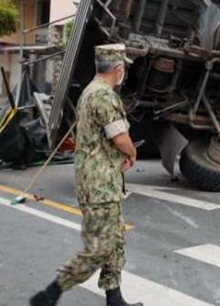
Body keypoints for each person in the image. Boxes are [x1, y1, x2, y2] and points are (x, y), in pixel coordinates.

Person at [30, 44, 142, 306]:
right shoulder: (104, 96)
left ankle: (114, 300)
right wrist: (132, 153)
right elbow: (120, 137)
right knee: (99, 248)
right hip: (99, 185)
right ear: (118, 69)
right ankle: (50, 294)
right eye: (122, 68)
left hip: (101, 180)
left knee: (114, 240)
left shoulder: (89, 92)